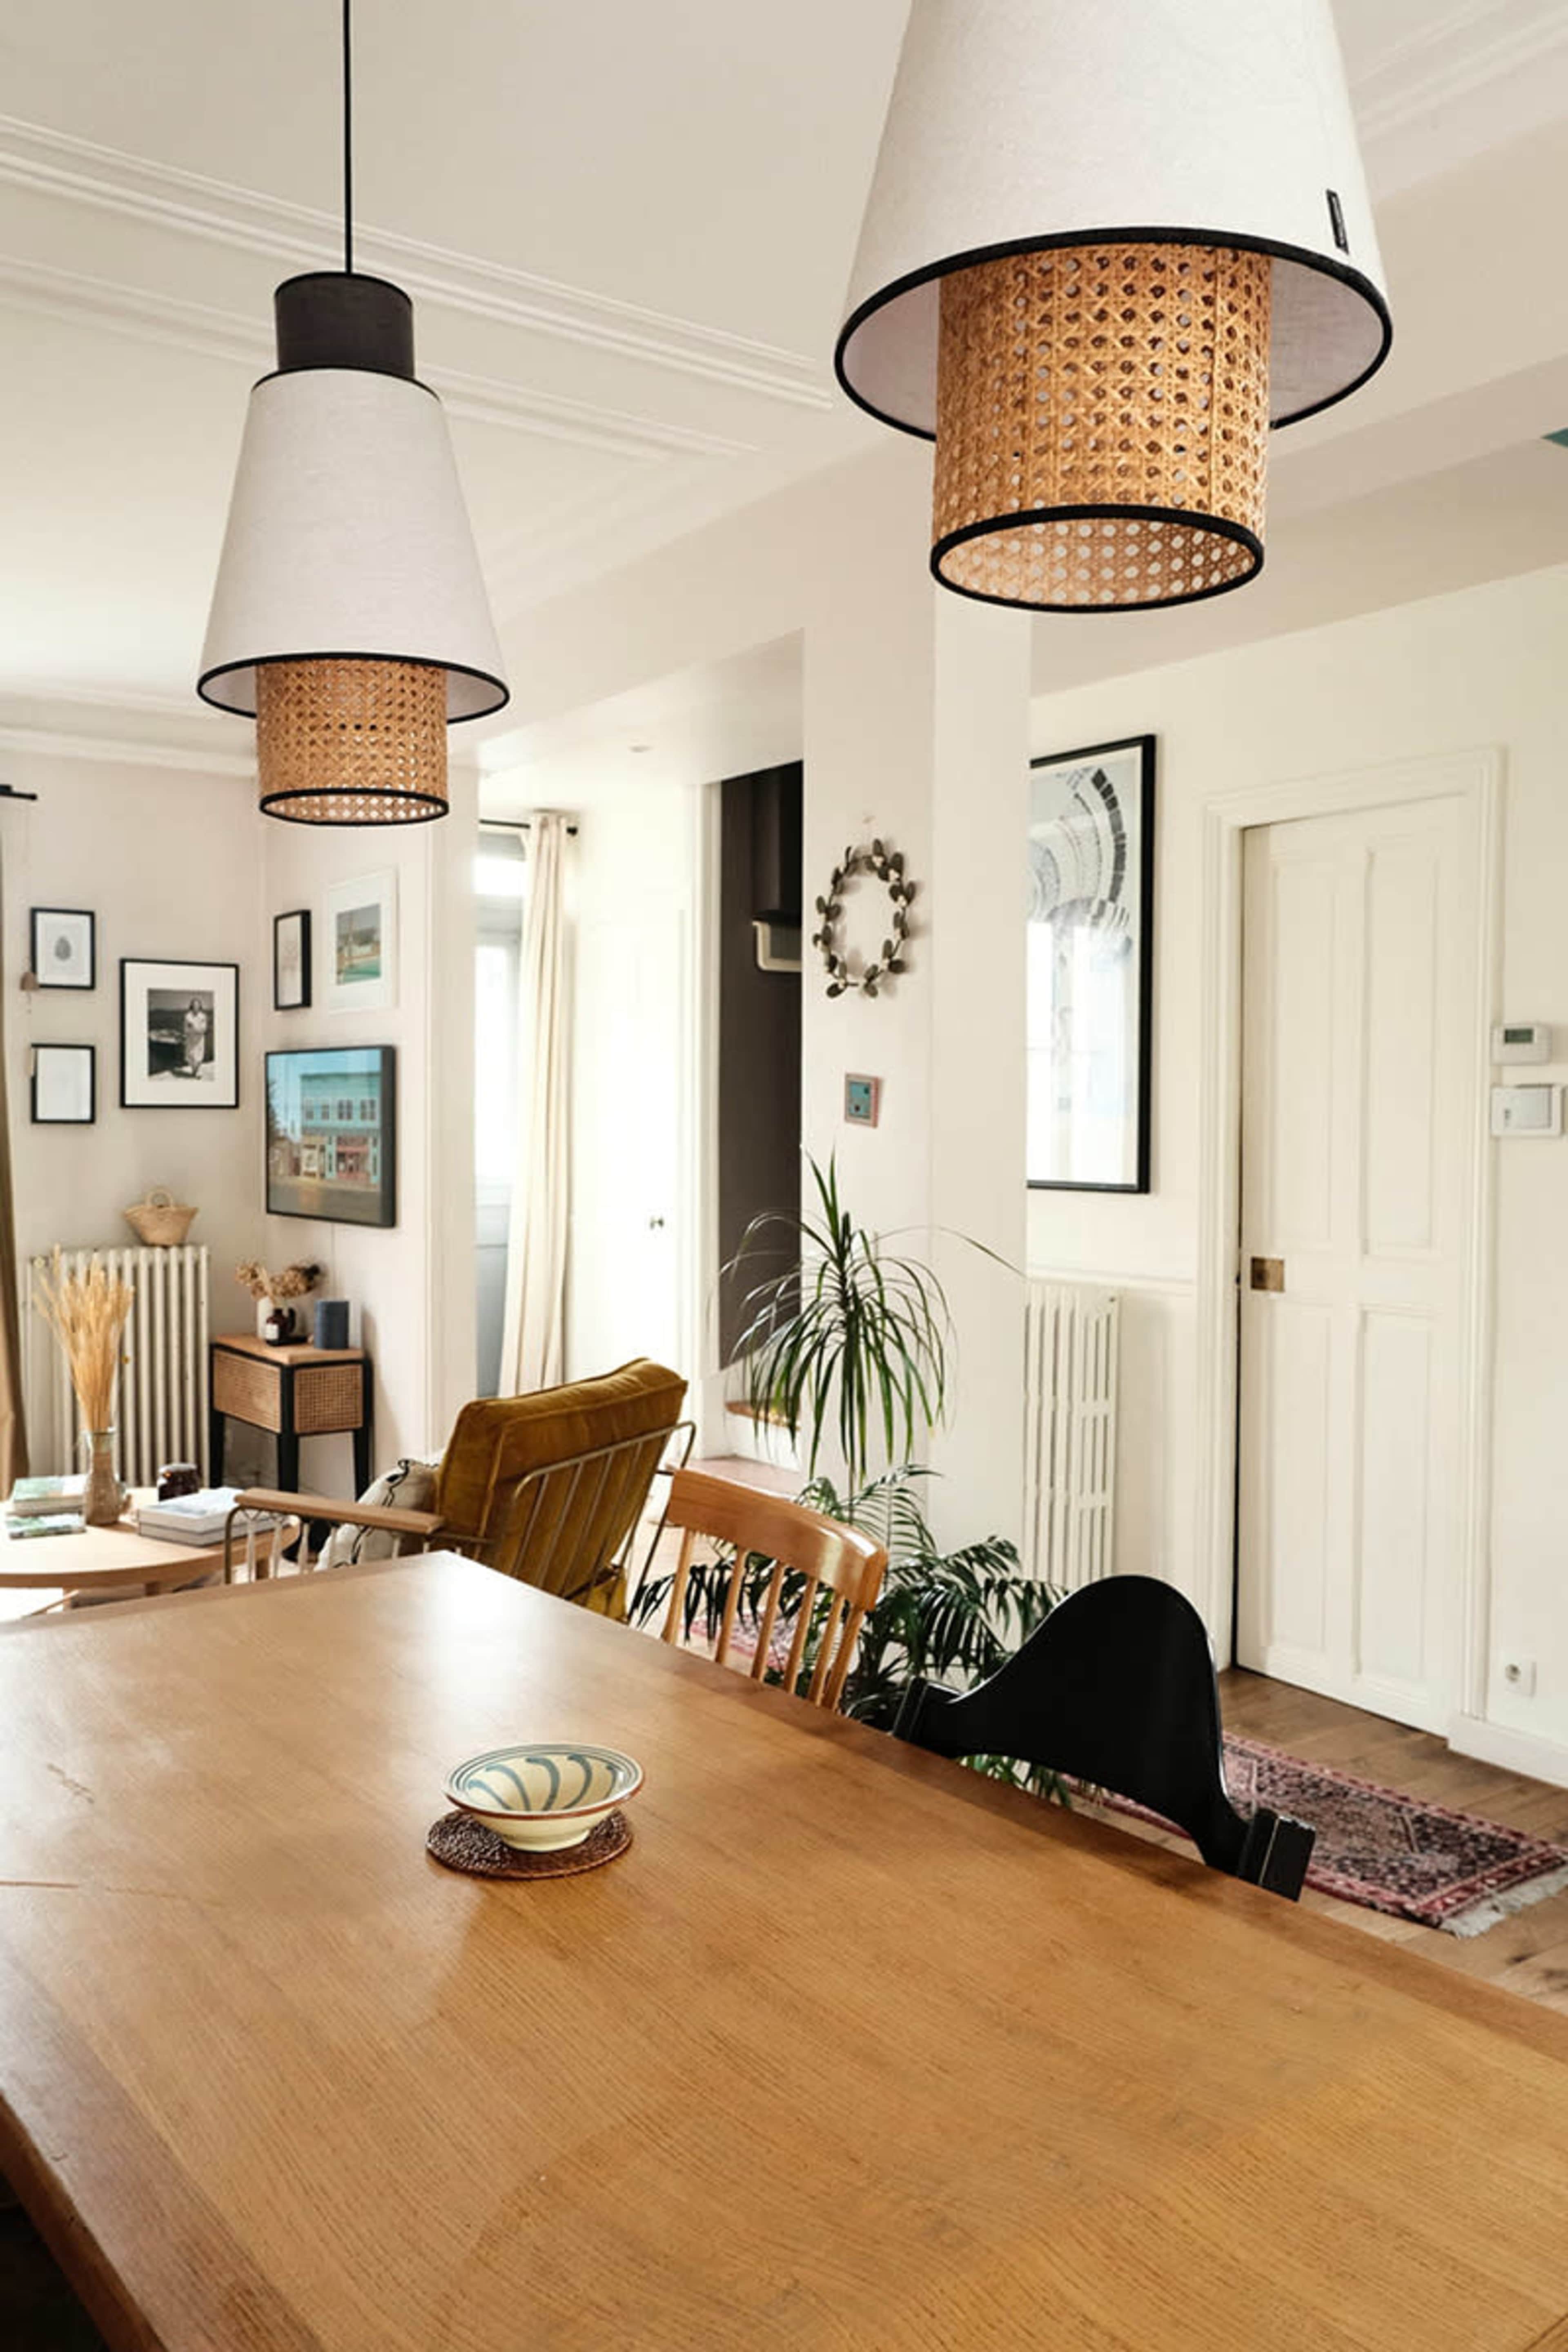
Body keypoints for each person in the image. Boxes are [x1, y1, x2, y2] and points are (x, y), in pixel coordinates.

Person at [182, 996, 210, 1079]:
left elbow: (204, 1028)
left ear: (200, 1006)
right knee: (190, 1056)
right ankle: (194, 1071)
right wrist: (193, 1028)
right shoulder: (188, 1016)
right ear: (192, 1006)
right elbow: (186, 1028)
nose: (196, 1007)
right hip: (191, 1039)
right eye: (194, 1005)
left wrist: (194, 1027)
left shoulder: (203, 1016)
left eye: (198, 1005)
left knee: (199, 1056)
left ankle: (197, 1072)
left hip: (200, 1039)